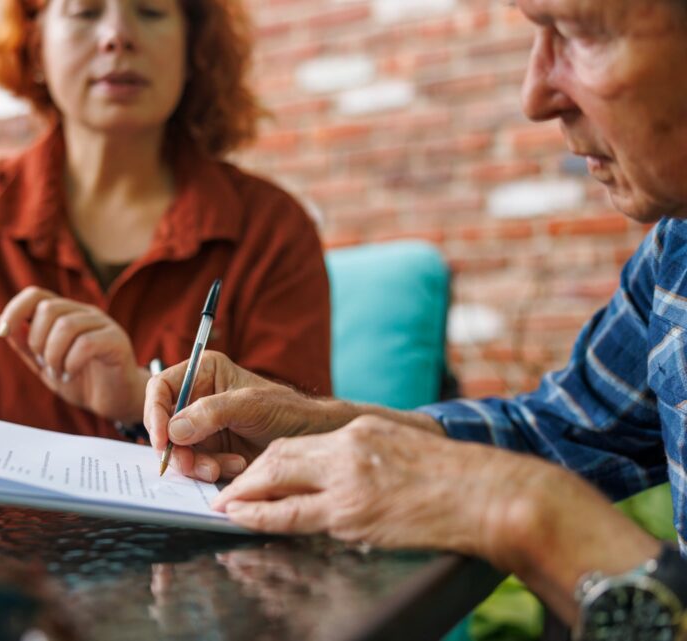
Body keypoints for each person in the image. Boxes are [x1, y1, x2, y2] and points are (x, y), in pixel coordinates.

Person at [145, 0, 687, 635]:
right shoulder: (674, 249)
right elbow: (555, 430)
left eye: (581, 34)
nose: (535, 96)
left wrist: (523, 509)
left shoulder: (263, 223)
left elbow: (533, 473)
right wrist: (318, 427)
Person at [0, 0, 331, 453]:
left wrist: (137, 395)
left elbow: (302, 442)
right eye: (83, 10)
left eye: (150, 10)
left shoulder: (271, 229)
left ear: (194, 47)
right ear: (35, 45)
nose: (118, 35)